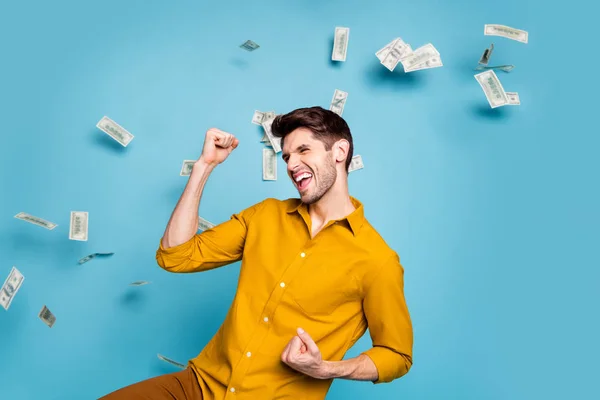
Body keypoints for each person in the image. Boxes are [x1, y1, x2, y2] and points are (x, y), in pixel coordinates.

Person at [100, 106, 413, 400]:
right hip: (200, 385)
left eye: (304, 151)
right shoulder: (266, 216)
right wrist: (205, 166)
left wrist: (327, 369)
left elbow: (396, 355)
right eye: (287, 156)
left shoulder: (377, 259)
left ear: (339, 152)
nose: (291, 165)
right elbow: (175, 256)